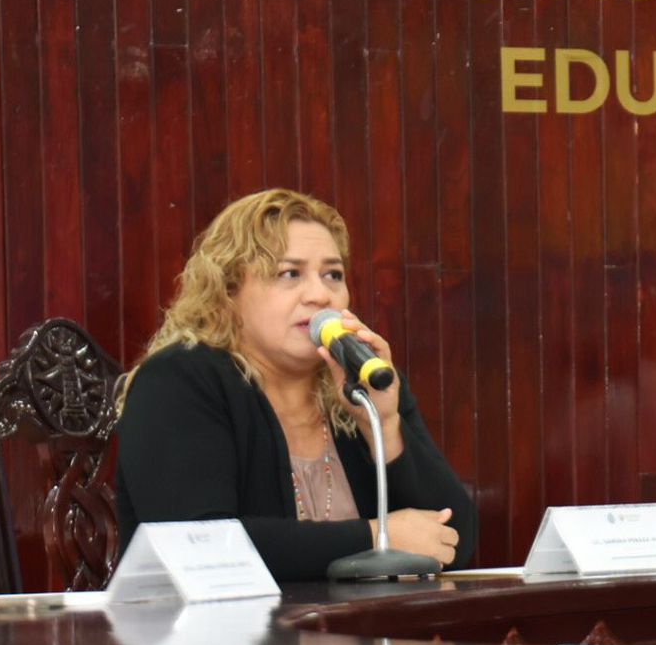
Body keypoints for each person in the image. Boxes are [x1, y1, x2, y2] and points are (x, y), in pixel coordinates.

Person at [115, 189, 476, 581]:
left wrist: (385, 427)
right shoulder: (177, 381)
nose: (321, 294)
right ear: (228, 292)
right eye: (291, 274)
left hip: (363, 633)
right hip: (223, 638)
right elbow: (202, 547)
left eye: (333, 275)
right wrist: (376, 537)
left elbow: (455, 539)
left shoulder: (363, 381)